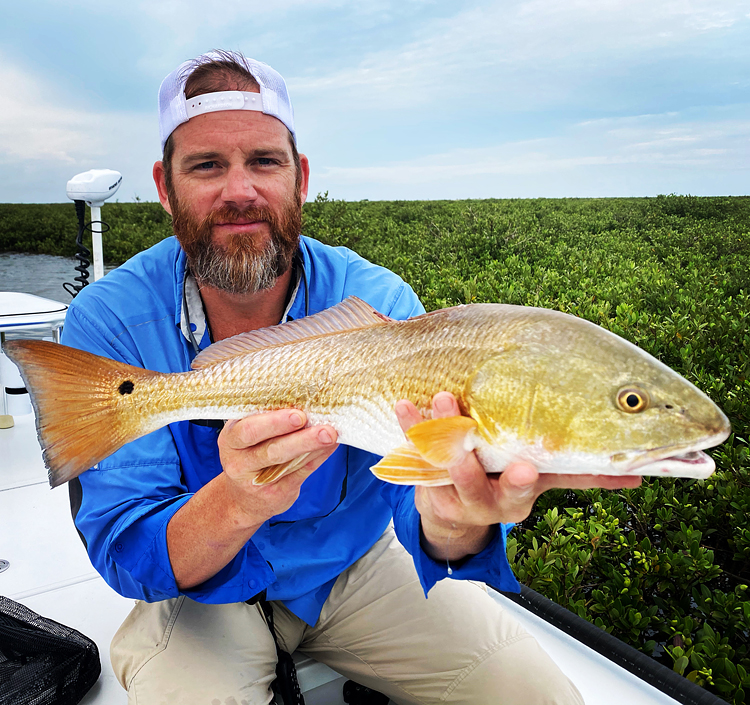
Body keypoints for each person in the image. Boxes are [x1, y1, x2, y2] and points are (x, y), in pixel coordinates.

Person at [61, 50, 639, 705]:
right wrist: (240, 500)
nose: (240, 190)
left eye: (264, 161)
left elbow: (422, 502)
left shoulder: (376, 296)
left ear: (299, 177)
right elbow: (126, 544)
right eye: (207, 165)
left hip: (353, 565)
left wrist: (460, 520)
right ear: (166, 188)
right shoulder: (108, 319)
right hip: (197, 592)